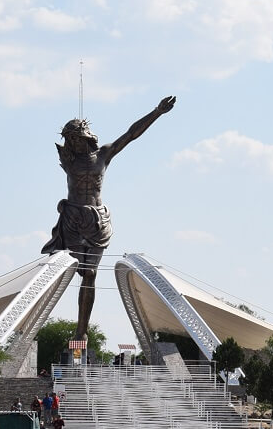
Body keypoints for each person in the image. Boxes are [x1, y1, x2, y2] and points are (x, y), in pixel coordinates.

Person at [41, 96, 176, 342]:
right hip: (73, 219)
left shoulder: (103, 155)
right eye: (70, 140)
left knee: (90, 273)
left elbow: (131, 135)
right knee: (69, 268)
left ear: (86, 137)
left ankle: (81, 330)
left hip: (97, 222)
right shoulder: (69, 160)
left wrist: (157, 112)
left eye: (77, 138)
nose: (74, 143)